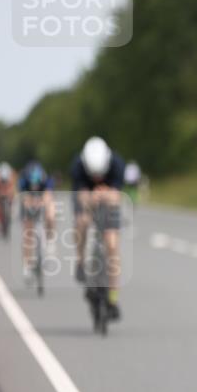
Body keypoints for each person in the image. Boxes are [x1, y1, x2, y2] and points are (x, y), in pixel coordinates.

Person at [71, 136, 125, 320]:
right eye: (93, 175)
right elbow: (81, 196)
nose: (97, 178)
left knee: (112, 245)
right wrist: (91, 198)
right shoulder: (77, 166)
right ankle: (80, 260)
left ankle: (113, 298)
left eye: (100, 174)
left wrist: (105, 195)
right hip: (87, 200)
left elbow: (117, 197)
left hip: (109, 204)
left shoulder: (117, 163)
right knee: (82, 222)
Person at [18, 161, 57, 282]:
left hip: (42, 201)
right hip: (28, 202)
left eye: (37, 184)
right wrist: (29, 203)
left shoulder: (46, 180)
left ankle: (50, 241)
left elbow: (48, 195)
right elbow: (23, 197)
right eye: (32, 184)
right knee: (27, 233)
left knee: (51, 213)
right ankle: (27, 266)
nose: (35, 187)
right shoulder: (23, 181)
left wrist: (42, 203)